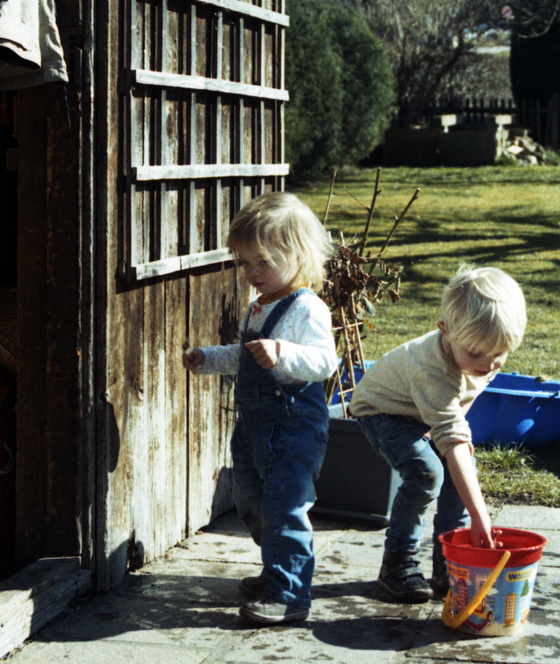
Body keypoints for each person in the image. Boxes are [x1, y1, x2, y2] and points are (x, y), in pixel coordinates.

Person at [183, 191, 336, 626]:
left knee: (286, 507)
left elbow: (326, 361)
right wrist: (208, 359)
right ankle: (276, 571)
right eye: (245, 262)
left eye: (262, 262)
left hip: (292, 429)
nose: (251, 272)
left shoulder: (306, 308)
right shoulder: (258, 306)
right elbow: (246, 354)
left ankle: (290, 592)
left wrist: (283, 352)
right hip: (254, 429)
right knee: (251, 499)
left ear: (299, 254)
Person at [349, 265, 526, 604]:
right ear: (444, 331)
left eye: (498, 355)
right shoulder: (431, 367)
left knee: (462, 474)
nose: (488, 364)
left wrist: (453, 438)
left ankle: (451, 566)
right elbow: (451, 429)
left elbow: (457, 407)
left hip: (421, 415)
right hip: (381, 412)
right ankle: (397, 565)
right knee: (426, 473)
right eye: (475, 353)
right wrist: (480, 515)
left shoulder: (480, 355)